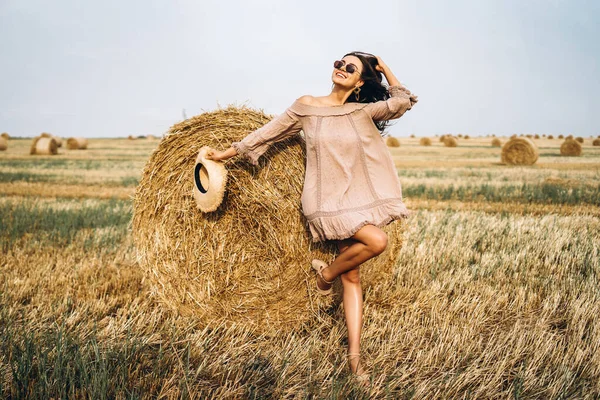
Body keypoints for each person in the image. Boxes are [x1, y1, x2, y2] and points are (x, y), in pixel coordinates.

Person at [206, 51, 418, 384]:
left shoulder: (362, 111)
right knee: (377, 241)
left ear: (361, 81)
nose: (341, 69)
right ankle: (326, 276)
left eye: (351, 68)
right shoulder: (306, 105)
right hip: (323, 199)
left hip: (356, 200)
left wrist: (385, 68)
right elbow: (265, 134)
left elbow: (402, 101)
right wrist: (223, 154)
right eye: (339, 63)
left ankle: (354, 360)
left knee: (353, 279)